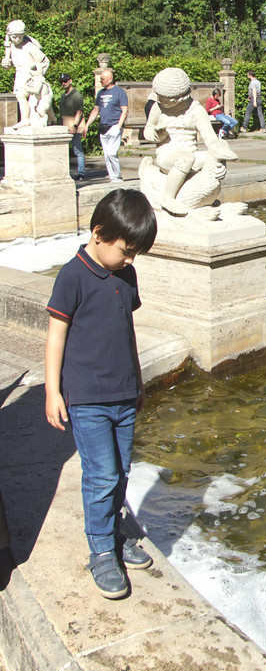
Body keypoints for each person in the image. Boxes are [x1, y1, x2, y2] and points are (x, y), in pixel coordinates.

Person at [45, 189, 159, 600]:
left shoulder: (124, 275)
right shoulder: (72, 276)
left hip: (123, 393)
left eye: (135, 255)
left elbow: (126, 330)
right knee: (101, 475)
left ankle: (114, 530)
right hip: (88, 396)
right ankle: (101, 551)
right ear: (98, 234)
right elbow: (56, 336)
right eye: (127, 251)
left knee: (122, 472)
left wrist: (139, 380)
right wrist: (53, 391)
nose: (130, 261)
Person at [88, 69, 129, 182]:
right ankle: (112, 177)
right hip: (103, 127)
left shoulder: (119, 92)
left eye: (103, 79)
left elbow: (125, 110)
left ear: (110, 79)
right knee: (106, 155)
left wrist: (119, 126)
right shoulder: (101, 93)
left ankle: (117, 176)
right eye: (100, 79)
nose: (100, 81)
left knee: (112, 153)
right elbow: (96, 110)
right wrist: (87, 125)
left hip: (114, 125)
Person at [56, 73, 88, 176]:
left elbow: (79, 112)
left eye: (65, 81)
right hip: (64, 125)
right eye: (61, 82)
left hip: (75, 124)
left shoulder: (76, 95)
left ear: (70, 81)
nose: (63, 83)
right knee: (63, 150)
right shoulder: (63, 96)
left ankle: (81, 173)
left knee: (77, 150)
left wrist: (75, 126)